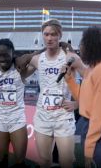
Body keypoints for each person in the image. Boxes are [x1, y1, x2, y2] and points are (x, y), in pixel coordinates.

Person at [22, 19, 83, 167]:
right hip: (43, 116)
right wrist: (27, 59)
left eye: (53, 34)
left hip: (63, 116)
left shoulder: (70, 58)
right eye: (46, 34)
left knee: (67, 161)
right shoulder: (37, 59)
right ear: (42, 35)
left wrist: (78, 103)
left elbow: (91, 79)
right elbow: (22, 76)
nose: (49, 38)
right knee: (44, 161)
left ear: (60, 35)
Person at [64, 27, 101, 167]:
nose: (80, 46)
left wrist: (89, 148)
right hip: (90, 126)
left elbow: (100, 113)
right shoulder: (92, 68)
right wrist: (69, 79)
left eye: (83, 43)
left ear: (92, 45)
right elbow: (83, 99)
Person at [0, 38, 30, 168]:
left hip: (17, 120)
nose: (2, 58)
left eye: (6, 55)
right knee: (1, 161)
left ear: (13, 54)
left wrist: (25, 56)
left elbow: (37, 58)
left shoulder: (20, 69)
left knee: (20, 161)